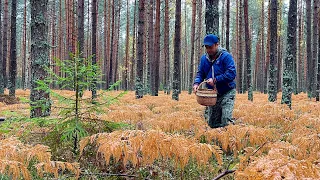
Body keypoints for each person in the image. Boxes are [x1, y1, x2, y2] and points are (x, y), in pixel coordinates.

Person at [193, 34, 236, 128]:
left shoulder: (226, 57)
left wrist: (216, 80)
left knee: (226, 120)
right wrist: (196, 83)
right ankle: (217, 141)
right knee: (212, 123)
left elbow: (232, 73)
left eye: (210, 47)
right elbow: (200, 74)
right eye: (206, 47)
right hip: (212, 95)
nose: (208, 50)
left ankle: (229, 140)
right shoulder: (204, 59)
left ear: (217, 44)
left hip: (227, 92)